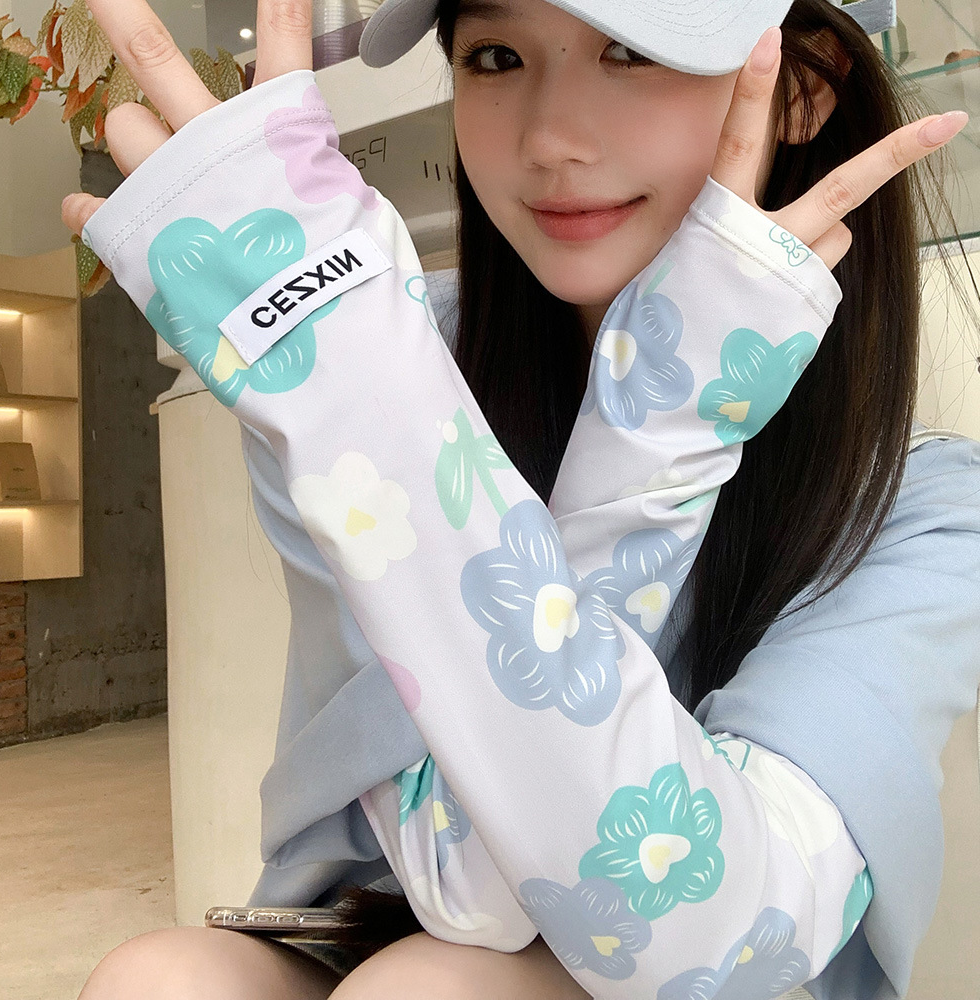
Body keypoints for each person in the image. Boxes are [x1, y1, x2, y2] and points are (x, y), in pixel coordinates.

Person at [62, 0, 980, 997]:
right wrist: (351, 363)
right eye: (496, 56)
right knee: (160, 981)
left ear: (800, 89)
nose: (548, 138)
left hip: (689, 968)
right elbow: (459, 872)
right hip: (400, 918)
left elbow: (705, 946)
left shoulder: (924, 511)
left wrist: (670, 414)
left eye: (631, 51)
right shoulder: (378, 366)